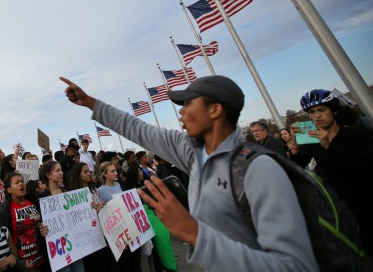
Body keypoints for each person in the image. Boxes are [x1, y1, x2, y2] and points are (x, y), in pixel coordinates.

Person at [60, 75, 317, 271]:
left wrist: (194, 233)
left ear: (215, 110)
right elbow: (134, 127)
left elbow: (296, 265)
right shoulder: (190, 150)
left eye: (187, 103)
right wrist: (89, 102)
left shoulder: (258, 169)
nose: (181, 111)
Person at [289, 89, 373, 254]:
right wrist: (294, 149)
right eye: (312, 112)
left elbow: (365, 167)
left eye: (321, 110)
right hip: (338, 209)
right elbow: (298, 165)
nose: (316, 116)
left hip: (365, 204)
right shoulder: (312, 138)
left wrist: (328, 146)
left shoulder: (356, 133)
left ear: (334, 110)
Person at [0, 173, 48, 270]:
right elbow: (5, 239)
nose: (22, 184)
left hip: (40, 259)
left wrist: (43, 230)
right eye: (17, 182)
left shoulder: (33, 202)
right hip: (22, 264)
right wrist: (19, 263)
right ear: (9, 190)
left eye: (22, 181)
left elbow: (41, 225)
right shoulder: (5, 210)